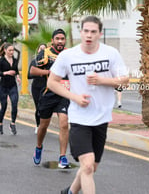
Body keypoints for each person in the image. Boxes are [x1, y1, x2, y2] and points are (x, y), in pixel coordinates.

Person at [47, 16, 129, 194]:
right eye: (86, 31)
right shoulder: (68, 56)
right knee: (88, 166)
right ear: (81, 32)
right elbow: (52, 82)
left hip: (101, 118)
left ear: (100, 33)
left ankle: (69, 192)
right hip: (79, 118)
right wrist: (74, 97)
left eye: (93, 32)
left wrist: (102, 80)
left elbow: (125, 82)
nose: (89, 35)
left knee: (91, 167)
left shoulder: (111, 53)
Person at [31, 29, 70, 169]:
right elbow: (33, 70)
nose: (60, 41)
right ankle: (39, 147)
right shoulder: (46, 53)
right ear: (53, 40)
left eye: (62, 39)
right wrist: (50, 72)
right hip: (48, 94)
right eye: (57, 39)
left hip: (63, 95)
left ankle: (63, 157)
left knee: (64, 124)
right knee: (43, 126)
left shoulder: (69, 54)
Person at [0, 43, 21, 135]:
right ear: (5, 50)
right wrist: (6, 73)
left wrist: (17, 77)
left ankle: (12, 123)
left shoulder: (15, 60)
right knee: (4, 106)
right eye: (9, 50)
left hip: (13, 86)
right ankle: (0, 123)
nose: (11, 52)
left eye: (13, 50)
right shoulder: (1, 61)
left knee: (14, 104)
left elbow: (16, 70)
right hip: (3, 87)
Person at [28, 43, 47, 134]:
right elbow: (29, 75)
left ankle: (43, 125)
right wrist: (39, 73)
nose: (42, 51)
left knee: (44, 107)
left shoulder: (49, 62)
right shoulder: (34, 61)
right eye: (41, 49)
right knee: (38, 107)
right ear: (38, 50)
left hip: (46, 87)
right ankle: (38, 125)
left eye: (44, 49)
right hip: (36, 87)